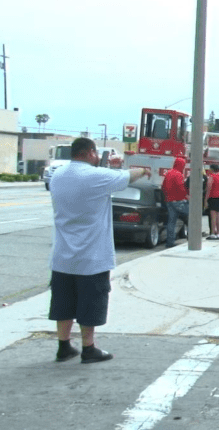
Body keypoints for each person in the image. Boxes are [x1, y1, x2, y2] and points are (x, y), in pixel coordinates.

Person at [48, 137, 152, 364]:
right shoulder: (96, 176)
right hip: (91, 257)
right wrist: (143, 169)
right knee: (90, 303)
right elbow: (128, 177)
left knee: (63, 303)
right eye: (95, 154)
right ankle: (88, 348)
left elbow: (101, 179)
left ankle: (63, 346)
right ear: (89, 153)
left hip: (62, 257)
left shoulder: (58, 175)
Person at [161, 157, 190, 248]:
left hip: (169, 201)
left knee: (171, 222)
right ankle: (192, 238)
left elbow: (163, 187)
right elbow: (180, 187)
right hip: (179, 200)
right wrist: (187, 196)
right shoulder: (178, 174)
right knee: (190, 219)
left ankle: (170, 242)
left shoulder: (168, 173)